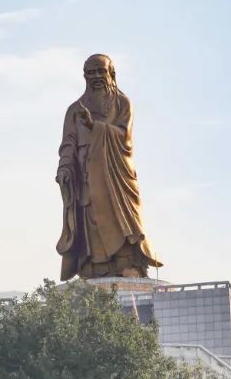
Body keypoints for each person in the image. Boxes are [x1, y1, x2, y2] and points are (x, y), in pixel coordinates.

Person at [56, 54, 161, 281]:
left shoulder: (122, 103)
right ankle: (92, 267)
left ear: (111, 73)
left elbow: (124, 138)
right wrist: (64, 167)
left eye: (100, 72)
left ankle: (125, 264)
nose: (96, 77)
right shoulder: (74, 109)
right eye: (90, 73)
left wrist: (94, 126)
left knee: (119, 218)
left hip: (114, 173)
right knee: (90, 215)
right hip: (85, 173)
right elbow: (68, 144)